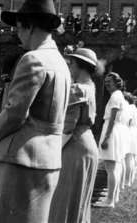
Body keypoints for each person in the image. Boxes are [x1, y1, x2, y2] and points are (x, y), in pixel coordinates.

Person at [0, 0, 71, 222]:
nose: (17, 33)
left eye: (19, 27)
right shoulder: (60, 62)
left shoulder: (33, 59)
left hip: (22, 158)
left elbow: (15, 114)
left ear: (30, 26)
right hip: (49, 158)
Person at [49, 48, 99, 223]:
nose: (69, 68)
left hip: (74, 147)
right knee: (78, 198)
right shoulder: (91, 87)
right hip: (86, 145)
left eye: (71, 64)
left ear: (80, 66)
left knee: (65, 198)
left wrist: (53, 150)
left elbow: (68, 127)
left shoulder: (78, 89)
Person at [94, 72, 128, 208]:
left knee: (111, 167)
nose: (107, 85)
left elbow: (112, 119)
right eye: (106, 82)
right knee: (114, 167)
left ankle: (110, 200)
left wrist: (107, 137)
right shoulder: (119, 95)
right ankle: (113, 197)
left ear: (117, 82)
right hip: (115, 130)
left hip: (112, 131)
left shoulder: (115, 96)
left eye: (110, 82)